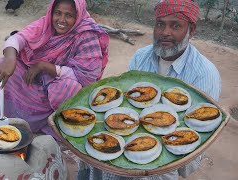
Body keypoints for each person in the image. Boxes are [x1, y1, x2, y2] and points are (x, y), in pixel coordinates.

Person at [77, 0, 221, 179]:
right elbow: (128, 102)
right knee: (93, 151)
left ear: (191, 30)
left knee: (149, 173)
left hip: (180, 142)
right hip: (135, 125)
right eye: (160, 24)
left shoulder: (204, 73)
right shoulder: (141, 57)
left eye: (175, 26)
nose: (165, 33)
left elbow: (197, 129)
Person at [0, 0, 109, 138]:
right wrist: (10, 59)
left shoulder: (86, 34)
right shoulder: (45, 24)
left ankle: (52, 125)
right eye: (58, 13)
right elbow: (17, 39)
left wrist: (45, 66)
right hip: (35, 79)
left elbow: (87, 76)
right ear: (52, 12)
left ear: (78, 16)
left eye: (68, 15)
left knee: (68, 88)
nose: (61, 20)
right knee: (2, 64)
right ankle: (14, 120)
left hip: (58, 83)